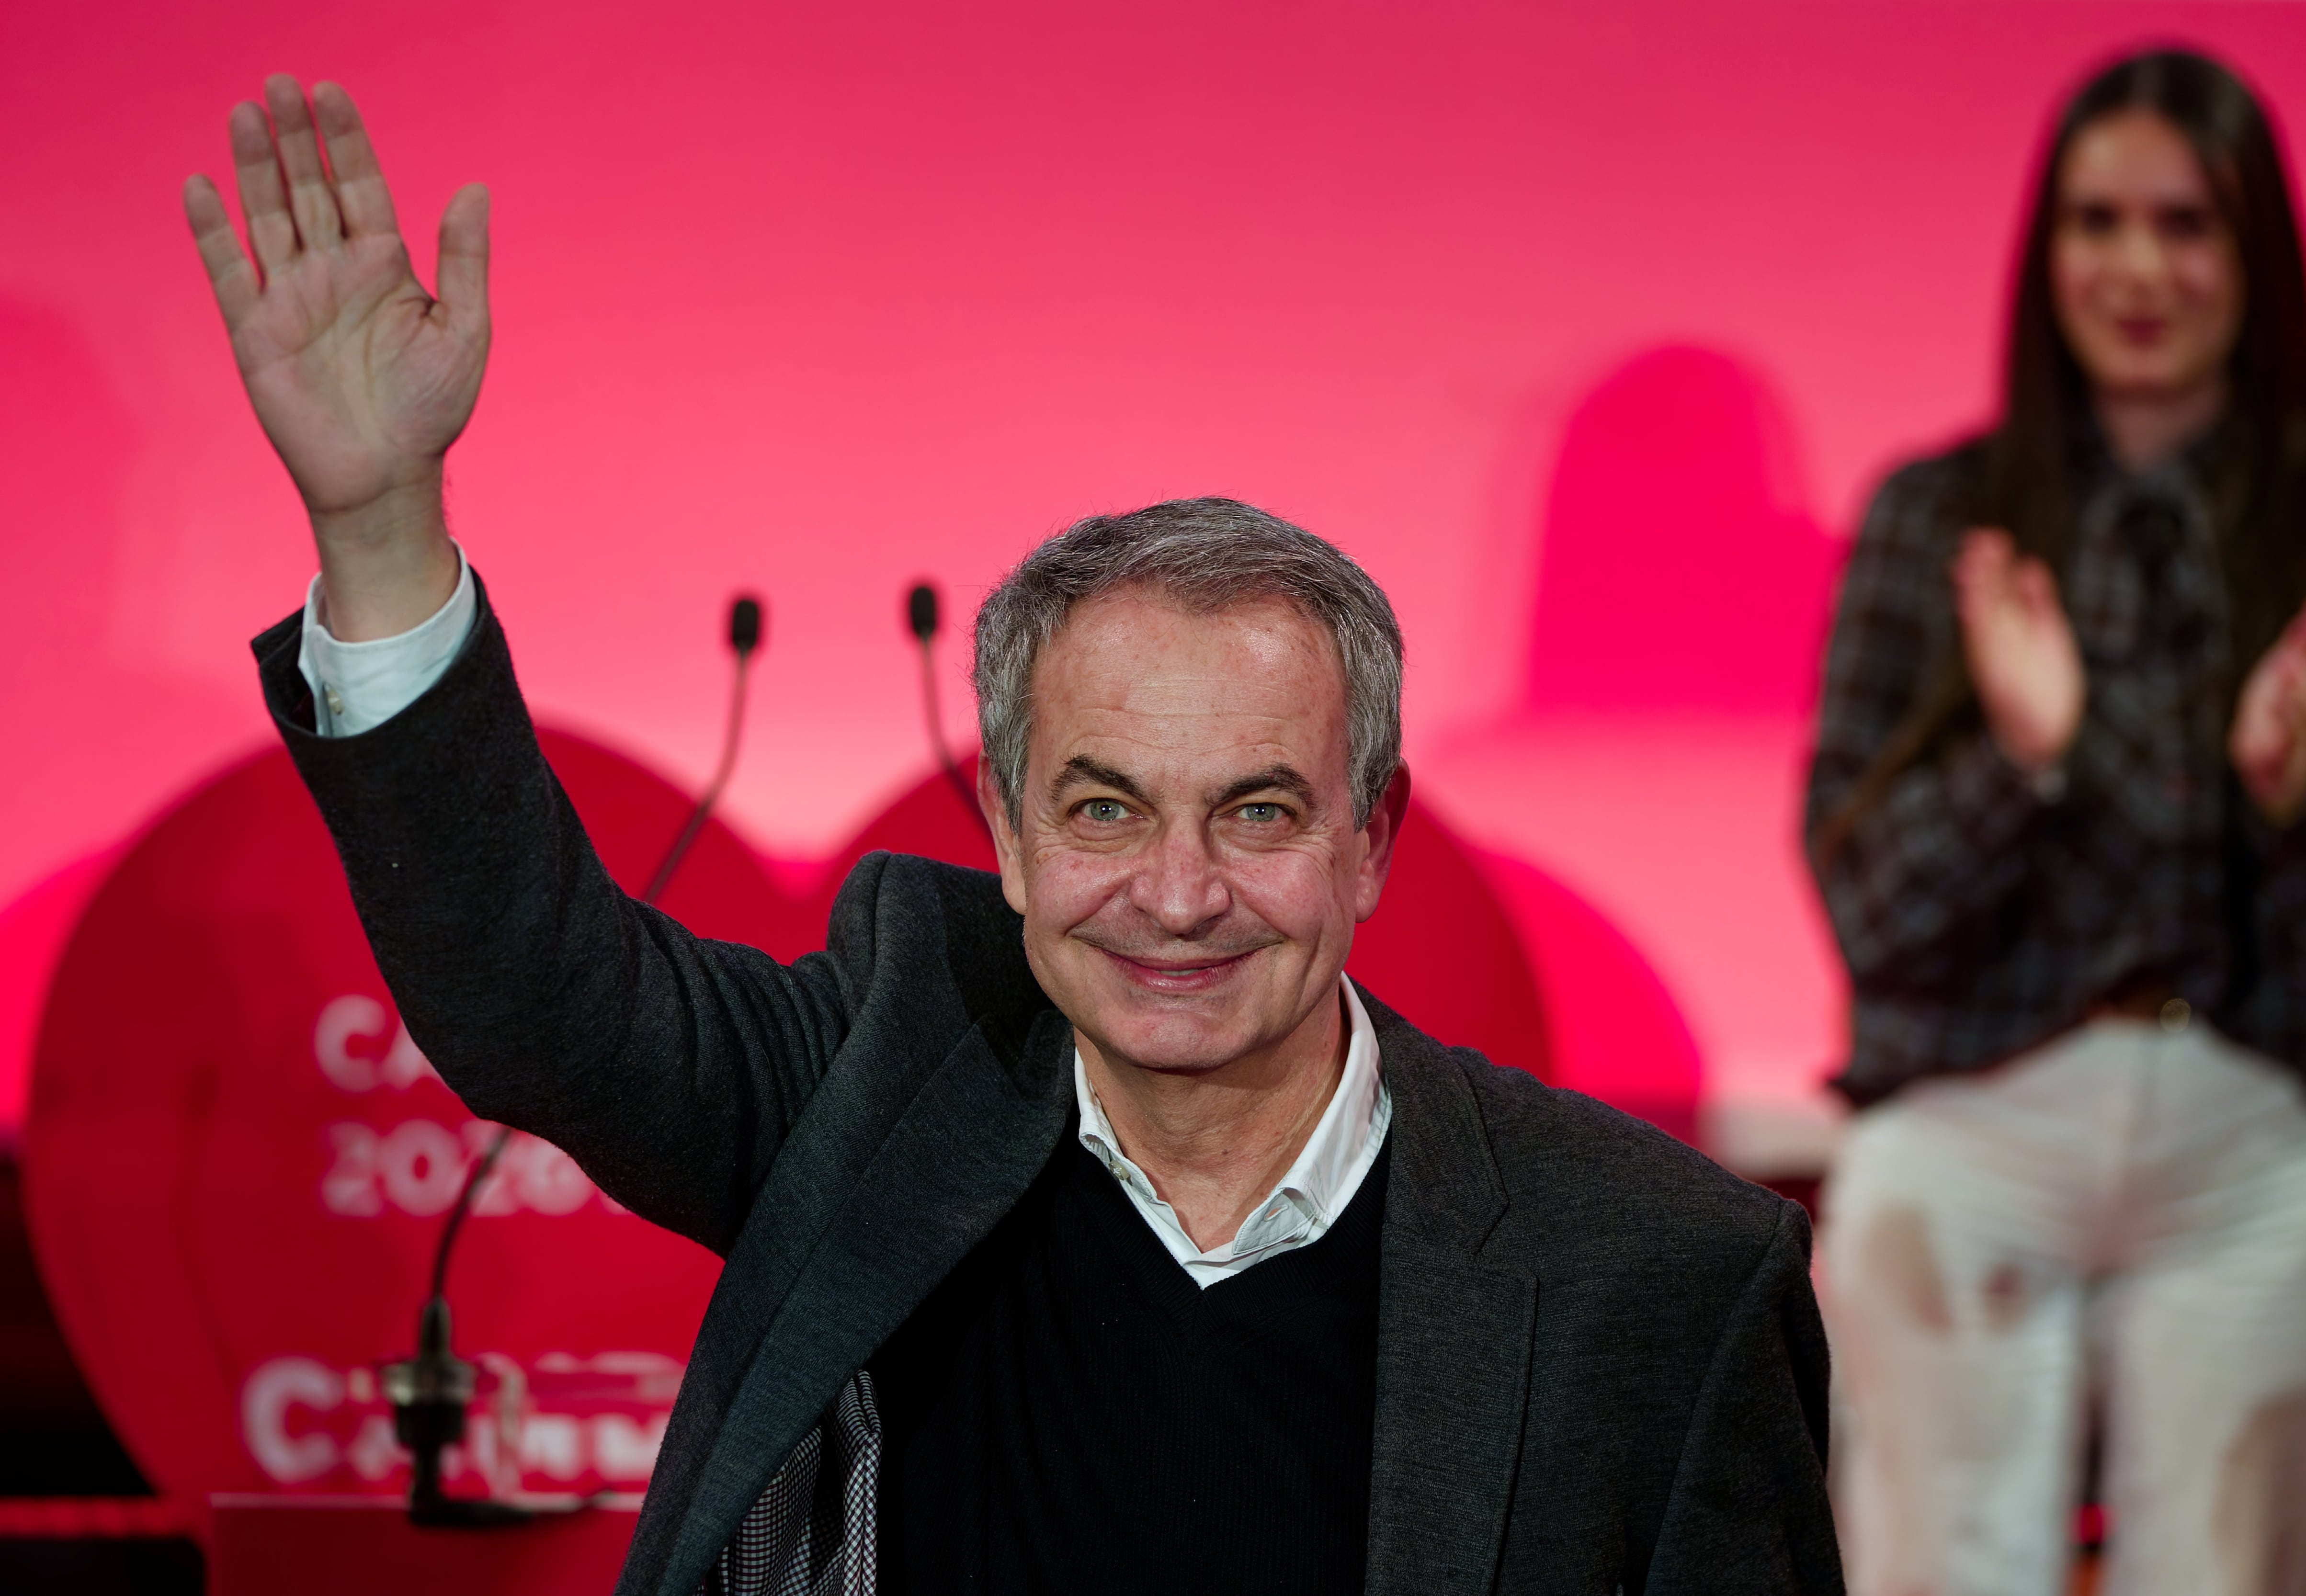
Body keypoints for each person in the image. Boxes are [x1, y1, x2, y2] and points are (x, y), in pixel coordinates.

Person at [185, 76, 1844, 1596]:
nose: (1178, 896)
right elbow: (537, 995)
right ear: (1007, 826)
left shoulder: (1658, 1277)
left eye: (1257, 813)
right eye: (1106, 808)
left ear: (1371, 838)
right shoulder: (879, 1078)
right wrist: (380, 530)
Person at [1805, 47, 2306, 1596]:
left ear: (2255, 252)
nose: (2139, 270)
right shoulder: (1940, 517)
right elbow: (1866, 905)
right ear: (2045, 250)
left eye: (2187, 225)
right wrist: (2025, 757)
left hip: (2261, 1127)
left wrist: (2299, 798)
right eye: (2098, 222)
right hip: (1977, 1112)